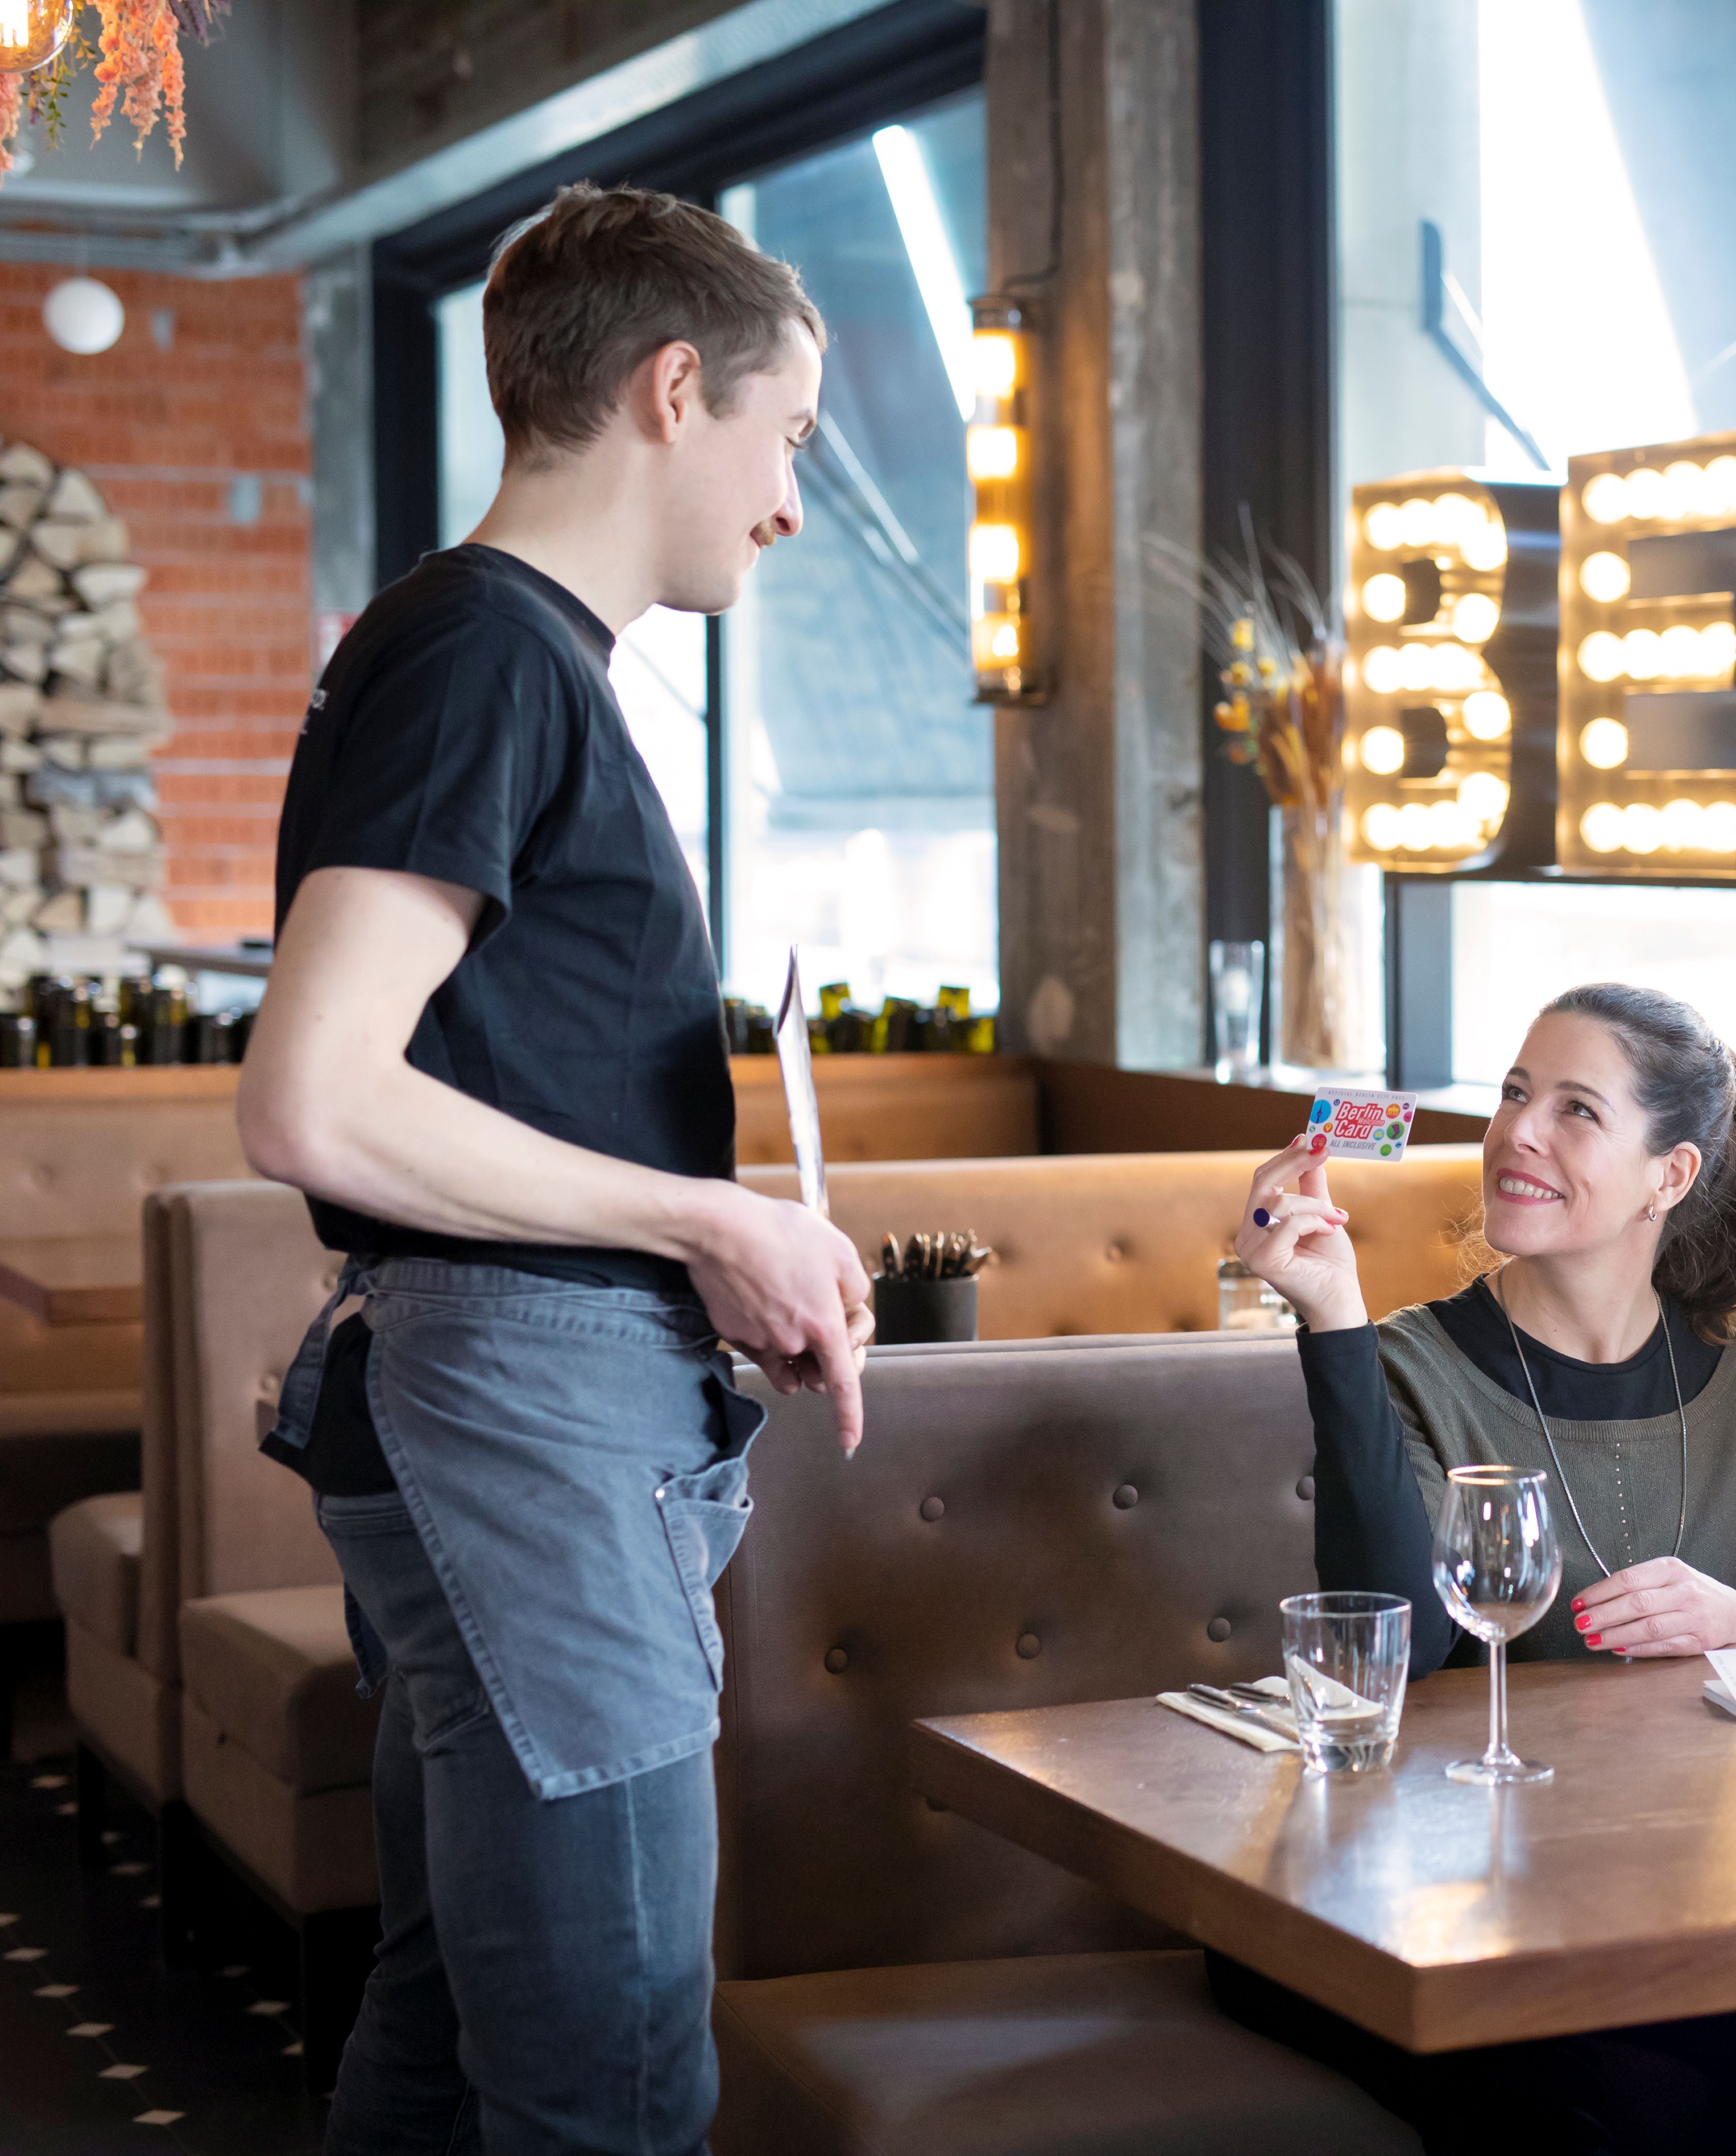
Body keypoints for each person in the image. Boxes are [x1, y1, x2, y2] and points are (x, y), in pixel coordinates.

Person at [238, 185, 871, 2155]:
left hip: (503, 1399)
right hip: (521, 1404)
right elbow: (312, 1101)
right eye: (787, 439)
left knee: (451, 2012)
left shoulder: (490, 647)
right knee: (606, 2063)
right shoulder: (493, 655)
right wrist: (703, 1214)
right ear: (676, 389)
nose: (788, 499)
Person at [1216, 981, 1736, 2154]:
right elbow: (1397, 1656)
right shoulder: (1408, 1361)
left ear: (1669, 1176)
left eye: (1576, 1109)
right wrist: (1330, 1318)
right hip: (1443, 1906)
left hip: (1688, 1895)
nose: (1517, 1131)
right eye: (1515, 1094)